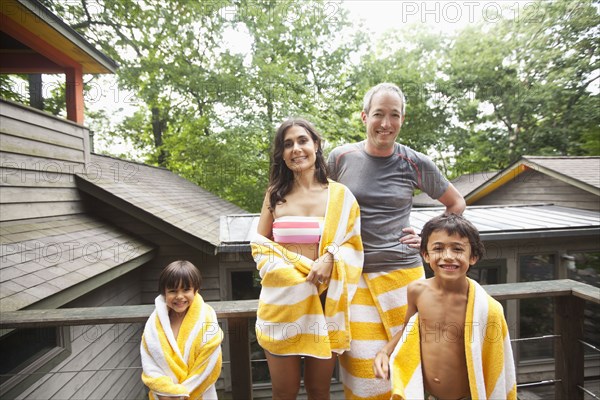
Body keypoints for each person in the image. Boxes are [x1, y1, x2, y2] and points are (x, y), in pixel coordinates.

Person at [327, 82, 466, 399]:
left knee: (409, 361)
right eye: (378, 114)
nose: (386, 123)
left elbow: (456, 204)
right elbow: (314, 200)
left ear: (403, 119)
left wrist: (428, 238)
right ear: (364, 117)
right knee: (365, 371)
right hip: (355, 277)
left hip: (404, 276)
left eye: (394, 115)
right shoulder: (340, 158)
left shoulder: (416, 162)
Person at [251, 118, 363, 400]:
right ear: (281, 154)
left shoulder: (341, 196)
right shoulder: (274, 195)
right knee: (284, 392)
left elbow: (353, 244)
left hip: (325, 304)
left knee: (319, 391)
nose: (296, 149)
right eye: (287, 144)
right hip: (282, 305)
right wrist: (289, 277)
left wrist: (330, 256)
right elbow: (259, 246)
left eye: (302, 140)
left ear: (316, 144)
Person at [373, 214, 517, 400]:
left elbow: (494, 357)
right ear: (426, 255)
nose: (447, 257)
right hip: (428, 395)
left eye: (457, 249)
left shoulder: (486, 309)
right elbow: (407, 331)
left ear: (473, 257)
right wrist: (384, 352)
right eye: (438, 248)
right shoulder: (417, 291)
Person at [140, 260, 223, 400]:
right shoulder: (154, 325)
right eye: (172, 291)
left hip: (199, 394)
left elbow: (210, 361)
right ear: (164, 293)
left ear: (195, 290)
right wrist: (167, 393)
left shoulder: (207, 319)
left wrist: (182, 394)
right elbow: (149, 362)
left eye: (186, 290)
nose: (179, 296)